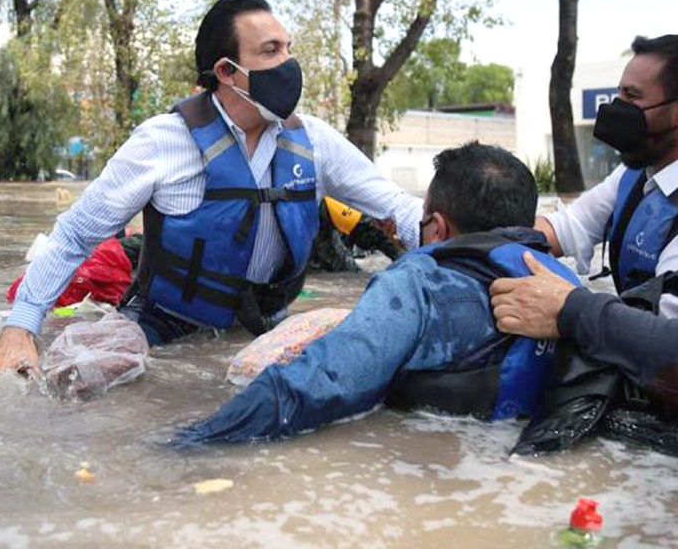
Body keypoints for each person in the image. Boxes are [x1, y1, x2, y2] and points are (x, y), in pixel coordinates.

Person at [0, 0, 422, 378]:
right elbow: (75, 236)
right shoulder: (161, 142)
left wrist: (480, 258)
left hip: (266, 325)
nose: (289, 64)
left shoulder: (315, 141)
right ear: (227, 71)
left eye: (288, 49)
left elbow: (399, 208)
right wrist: (19, 329)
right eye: (271, 51)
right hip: (161, 325)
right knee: (82, 373)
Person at [175, 142, 579, 446]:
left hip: (434, 462)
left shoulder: (420, 282)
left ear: (436, 228)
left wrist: (192, 440)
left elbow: (319, 382)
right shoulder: (566, 286)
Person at [489, 34, 678, 436]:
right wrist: (475, 242)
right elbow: (559, 230)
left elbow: (673, 352)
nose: (618, 110)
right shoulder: (634, 177)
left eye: (633, 97)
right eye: (618, 95)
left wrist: (570, 310)